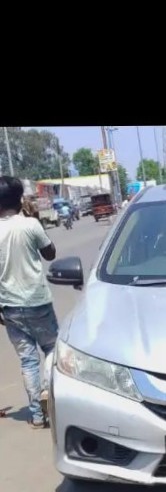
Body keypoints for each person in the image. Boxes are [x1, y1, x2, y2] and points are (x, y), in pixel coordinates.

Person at [0, 176, 58, 428]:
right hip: (37, 302)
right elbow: (50, 252)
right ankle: (49, 393)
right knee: (51, 350)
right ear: (19, 199)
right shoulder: (31, 225)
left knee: (27, 360)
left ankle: (36, 415)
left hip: (9, 307)